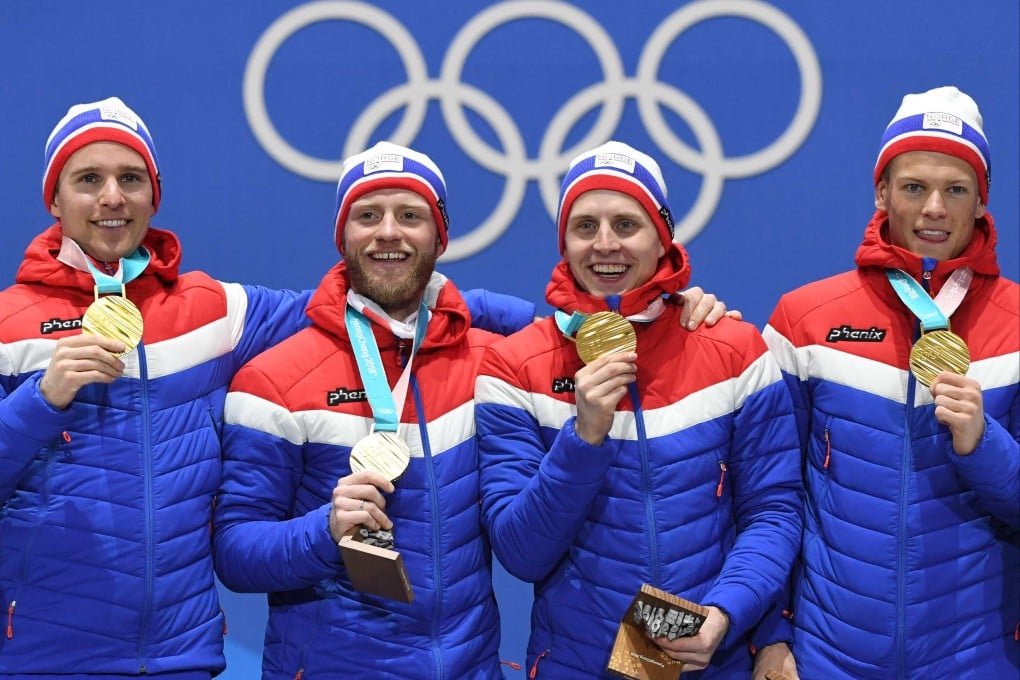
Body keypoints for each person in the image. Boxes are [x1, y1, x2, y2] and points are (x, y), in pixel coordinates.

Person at [0, 99, 536, 678]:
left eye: (130, 178)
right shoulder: (7, 324)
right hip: (42, 653)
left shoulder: (213, 312)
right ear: (54, 199)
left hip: (181, 654)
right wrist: (38, 400)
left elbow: (372, 298)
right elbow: (239, 550)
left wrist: (523, 317)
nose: (112, 197)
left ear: (153, 196)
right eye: (88, 180)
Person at [210, 140, 733, 679]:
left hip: (470, 668)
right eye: (368, 215)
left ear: (441, 237)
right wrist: (323, 532)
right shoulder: (274, 378)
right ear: (342, 235)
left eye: (410, 215)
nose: (388, 232)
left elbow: (583, 315)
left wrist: (675, 310)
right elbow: (234, 552)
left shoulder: (491, 359)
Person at [474, 141, 803, 678]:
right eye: (585, 226)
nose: (605, 245)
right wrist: (583, 440)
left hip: (711, 660)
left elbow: (773, 511)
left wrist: (726, 613)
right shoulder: (513, 367)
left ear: (662, 237)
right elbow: (521, 552)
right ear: (563, 241)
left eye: (626, 225)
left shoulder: (733, 349)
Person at [753, 86, 1019, 679]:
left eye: (955, 189)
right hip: (829, 658)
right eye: (914, 187)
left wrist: (984, 443)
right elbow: (766, 499)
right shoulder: (804, 320)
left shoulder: (1018, 326)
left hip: (978, 660)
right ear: (881, 193)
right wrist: (771, 638)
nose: (933, 209)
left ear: (982, 201)